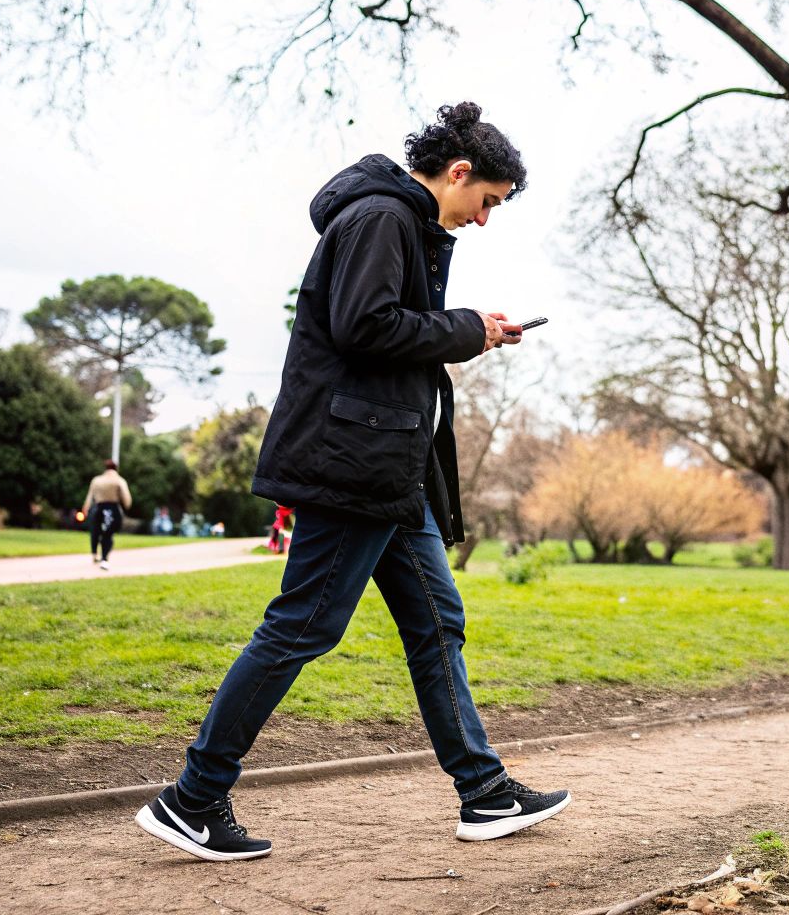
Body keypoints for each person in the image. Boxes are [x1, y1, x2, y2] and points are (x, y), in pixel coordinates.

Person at [135, 102, 569, 863]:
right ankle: (193, 798)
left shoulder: (405, 225)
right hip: (353, 466)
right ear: (460, 174)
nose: (485, 220)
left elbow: (387, 330)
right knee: (302, 626)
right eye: (488, 202)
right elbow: (365, 326)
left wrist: (467, 329)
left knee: (439, 624)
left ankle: (485, 791)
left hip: (391, 469)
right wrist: (468, 329)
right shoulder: (382, 219)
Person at [82, 460, 131, 570]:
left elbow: (90, 496)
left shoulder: (97, 480)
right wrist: (126, 506)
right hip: (112, 509)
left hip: (98, 508)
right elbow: (126, 498)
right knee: (108, 534)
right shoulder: (119, 480)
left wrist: (85, 508)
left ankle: (94, 553)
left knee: (95, 531)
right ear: (116, 468)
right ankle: (104, 558)